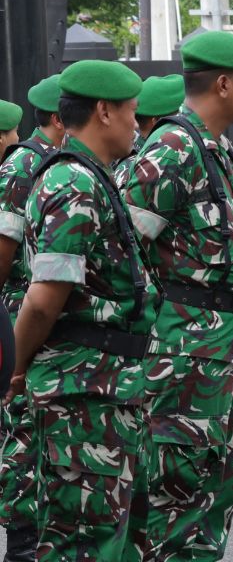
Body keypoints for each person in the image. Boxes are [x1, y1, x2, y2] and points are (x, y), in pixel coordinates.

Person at [119, 31, 233, 562]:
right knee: (175, 494)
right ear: (223, 83)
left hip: (224, 352)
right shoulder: (173, 149)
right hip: (184, 358)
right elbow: (122, 249)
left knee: (217, 491)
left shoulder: (214, 148)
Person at [8, 60, 154, 562]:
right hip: (80, 390)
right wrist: (17, 366)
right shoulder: (72, 182)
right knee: (81, 542)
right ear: (104, 111)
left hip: (103, 385)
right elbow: (45, 298)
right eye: (132, 111)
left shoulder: (95, 176)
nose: (138, 122)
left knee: (109, 536)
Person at [0, 75, 64, 562]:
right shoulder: (26, 165)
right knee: (24, 428)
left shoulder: (61, 162)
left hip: (48, 307)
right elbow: (4, 249)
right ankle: (21, 539)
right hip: (25, 307)